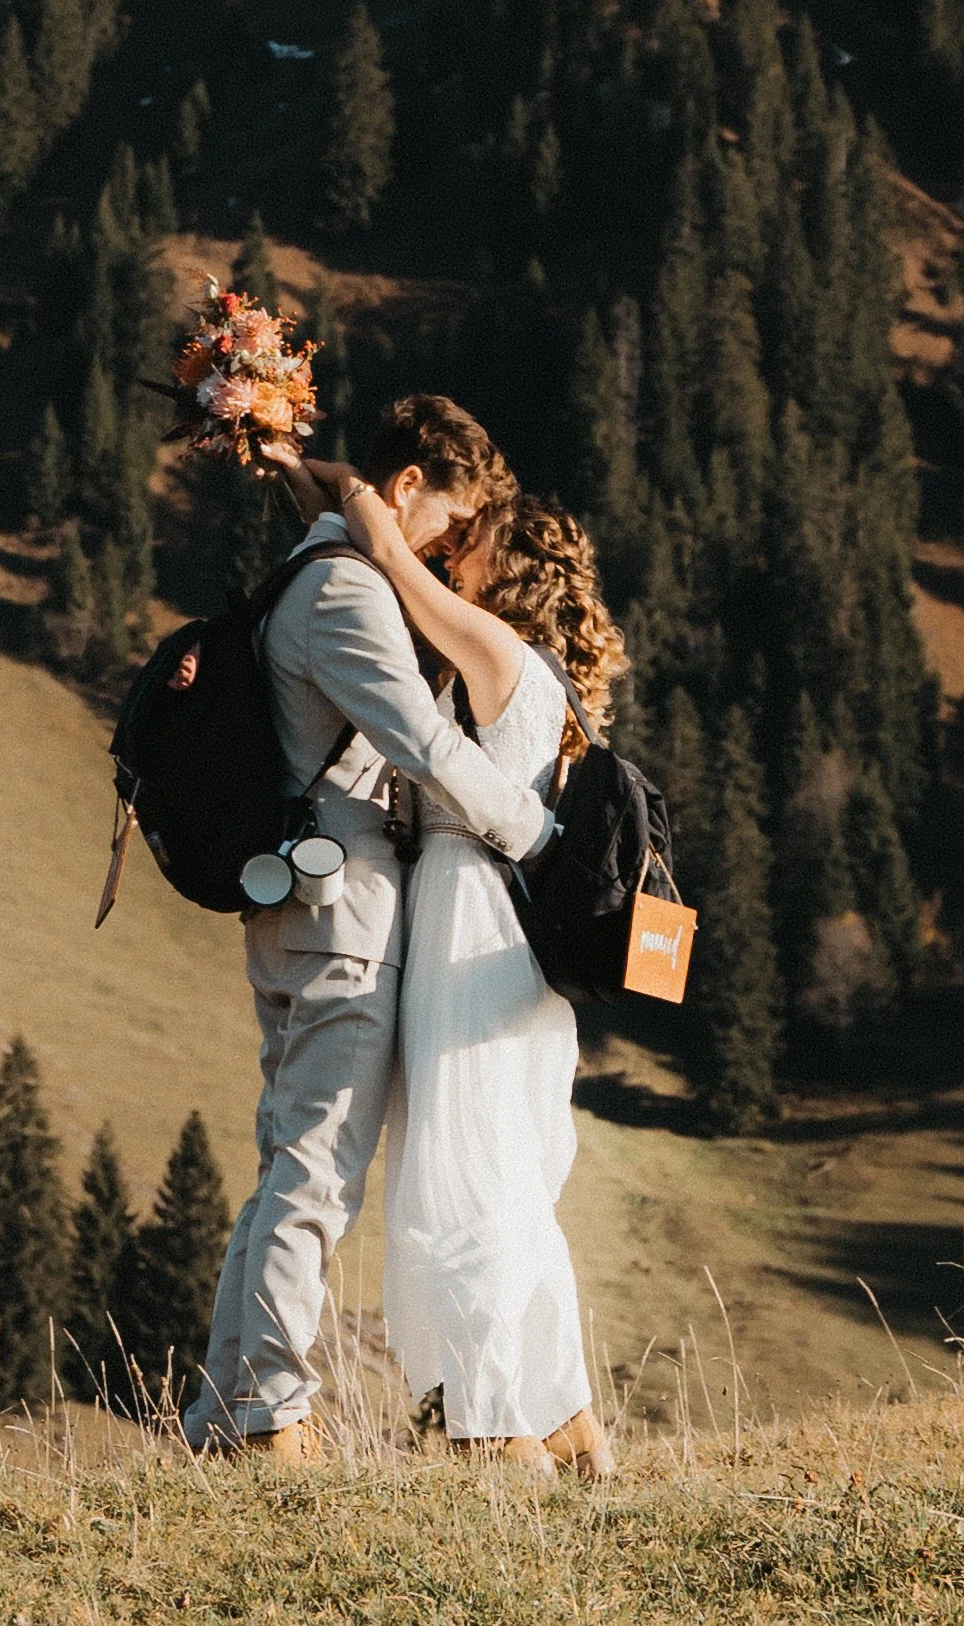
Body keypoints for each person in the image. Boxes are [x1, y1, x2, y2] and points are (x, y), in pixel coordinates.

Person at [183, 395, 558, 1462]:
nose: (449, 543)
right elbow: (428, 744)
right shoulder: (345, 592)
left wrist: (334, 487)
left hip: (301, 903)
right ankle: (267, 1413)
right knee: (317, 1168)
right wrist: (537, 830)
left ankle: (228, 1409)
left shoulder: (310, 570)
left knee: (289, 1160)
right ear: (406, 489)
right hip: (343, 904)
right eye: (449, 516)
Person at [327, 469, 625, 1479]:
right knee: (502, 1173)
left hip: (470, 917)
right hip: (508, 934)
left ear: (518, 567)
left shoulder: (501, 651)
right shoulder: (529, 672)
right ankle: (565, 1419)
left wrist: (334, 483)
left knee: (456, 1177)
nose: (461, 542)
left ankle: (494, 1424)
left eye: (483, 534)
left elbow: (395, 566)